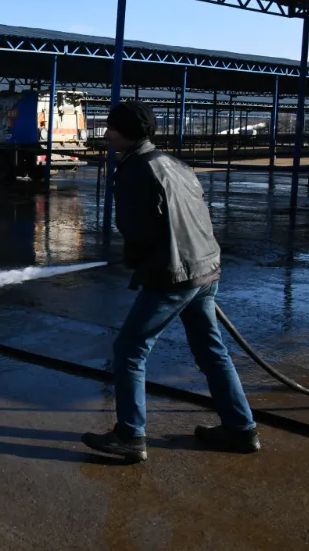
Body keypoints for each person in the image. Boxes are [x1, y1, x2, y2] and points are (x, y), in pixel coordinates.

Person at [81, 101, 259, 463]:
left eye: (112, 128)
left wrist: (136, 259)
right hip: (205, 268)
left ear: (128, 132)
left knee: (129, 350)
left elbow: (137, 230)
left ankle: (130, 436)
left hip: (173, 275)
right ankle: (241, 429)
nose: (106, 133)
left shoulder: (134, 170)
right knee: (212, 351)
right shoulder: (175, 163)